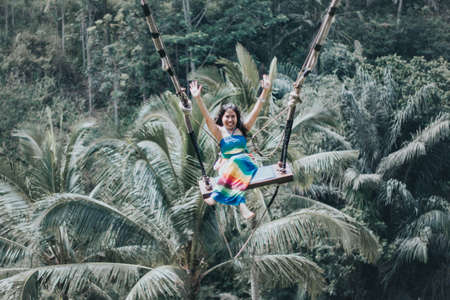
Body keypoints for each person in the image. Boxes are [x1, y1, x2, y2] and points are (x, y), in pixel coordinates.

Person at [189, 75, 271, 219]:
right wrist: (198, 98)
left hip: (245, 163)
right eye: (227, 116)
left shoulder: (242, 129)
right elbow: (207, 117)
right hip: (228, 168)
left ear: (237, 118)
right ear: (222, 118)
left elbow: (256, 111)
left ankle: (215, 196)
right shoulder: (218, 132)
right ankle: (243, 206)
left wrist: (265, 91)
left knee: (235, 162)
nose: (230, 119)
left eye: (233, 116)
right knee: (229, 166)